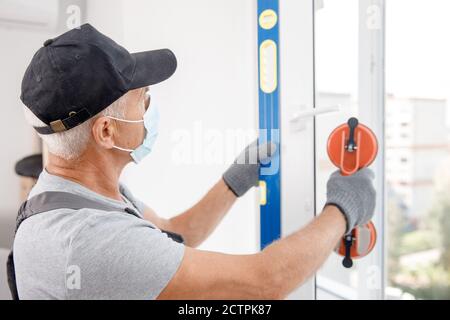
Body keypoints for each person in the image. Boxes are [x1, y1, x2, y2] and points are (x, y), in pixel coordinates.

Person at [13, 23, 376, 299]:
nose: (149, 110)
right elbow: (265, 281)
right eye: (144, 100)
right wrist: (342, 209)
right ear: (106, 132)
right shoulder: (89, 241)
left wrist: (235, 179)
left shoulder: (75, 194)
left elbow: (176, 233)